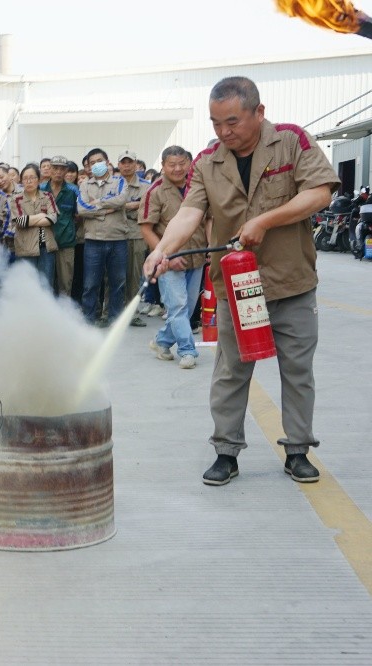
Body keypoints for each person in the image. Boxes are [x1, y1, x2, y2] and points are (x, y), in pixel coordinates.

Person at [144, 76, 338, 486]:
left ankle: (298, 450)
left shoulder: (292, 141)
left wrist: (265, 221)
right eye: (215, 123)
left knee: (297, 370)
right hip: (237, 286)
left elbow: (320, 192)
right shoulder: (207, 161)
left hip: (291, 281)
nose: (223, 132)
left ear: (259, 112)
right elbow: (189, 213)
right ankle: (226, 452)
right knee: (231, 371)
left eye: (232, 122)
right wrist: (162, 250)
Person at [140, 146, 207, 370]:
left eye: (182, 163)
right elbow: (146, 229)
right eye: (172, 164)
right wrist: (165, 255)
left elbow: (207, 219)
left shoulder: (197, 187)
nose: (178, 169)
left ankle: (162, 341)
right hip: (167, 263)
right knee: (178, 307)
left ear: (190, 163)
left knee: (186, 309)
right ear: (163, 166)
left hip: (196, 257)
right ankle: (188, 351)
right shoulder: (155, 191)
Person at [77, 148, 129, 326]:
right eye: (92, 163)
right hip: (93, 240)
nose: (96, 165)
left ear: (107, 162)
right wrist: (106, 209)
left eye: (99, 161)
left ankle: (115, 319)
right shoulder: (85, 185)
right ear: (88, 167)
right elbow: (82, 209)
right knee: (90, 284)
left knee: (118, 283)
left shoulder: (119, 181)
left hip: (117, 240)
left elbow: (121, 200)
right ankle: (89, 318)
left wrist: (98, 203)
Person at [10, 163, 58, 290]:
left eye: (32, 177)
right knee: (27, 286)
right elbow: (20, 222)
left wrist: (30, 220)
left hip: (46, 247)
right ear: (21, 181)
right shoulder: (16, 199)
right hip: (25, 248)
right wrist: (42, 215)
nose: (29, 181)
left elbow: (52, 218)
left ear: (39, 179)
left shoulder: (47, 196)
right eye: (25, 178)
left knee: (46, 285)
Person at [118, 151, 151, 327]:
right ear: (118, 165)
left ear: (136, 164)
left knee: (134, 275)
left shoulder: (146, 186)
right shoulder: (113, 183)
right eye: (123, 162)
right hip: (115, 234)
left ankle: (131, 313)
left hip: (137, 234)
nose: (126, 166)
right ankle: (113, 311)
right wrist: (133, 205)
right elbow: (105, 205)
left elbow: (148, 207)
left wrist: (121, 206)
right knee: (114, 275)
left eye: (130, 162)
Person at [40, 156, 80, 297]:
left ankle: (64, 309)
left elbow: (78, 214)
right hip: (45, 242)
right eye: (55, 168)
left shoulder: (73, 190)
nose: (58, 172)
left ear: (66, 170)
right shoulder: (40, 189)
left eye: (62, 169)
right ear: (49, 169)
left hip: (66, 242)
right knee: (45, 281)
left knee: (65, 282)